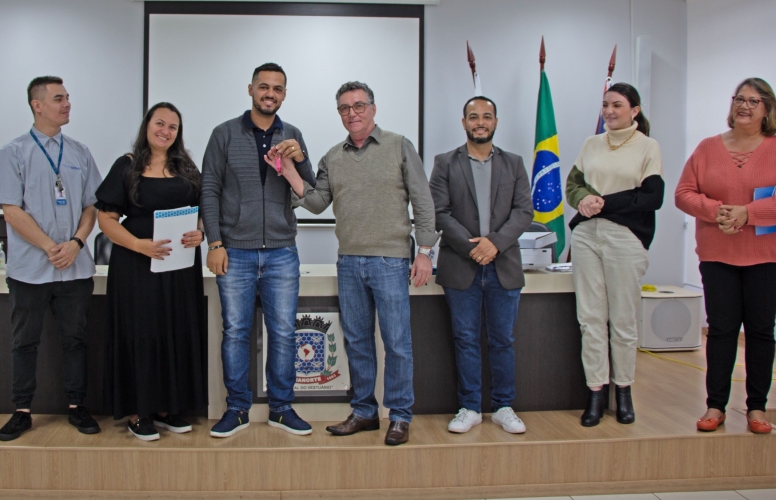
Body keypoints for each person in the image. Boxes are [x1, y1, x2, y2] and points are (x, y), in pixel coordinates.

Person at [278, 81, 437, 445]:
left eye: (359, 106)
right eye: (345, 108)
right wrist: (288, 171)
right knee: (358, 342)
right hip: (349, 262)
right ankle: (364, 411)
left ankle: (399, 416)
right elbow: (318, 204)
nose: (352, 113)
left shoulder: (398, 145)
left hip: (391, 261)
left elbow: (423, 201)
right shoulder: (333, 156)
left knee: (397, 343)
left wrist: (425, 251)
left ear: (373, 108)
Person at [676, 78, 776, 434]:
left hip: (767, 256)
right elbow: (684, 194)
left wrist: (748, 213)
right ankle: (715, 405)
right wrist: (718, 212)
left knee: (760, 331)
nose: (744, 106)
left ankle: (757, 409)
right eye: (739, 99)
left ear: (767, 109)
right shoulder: (707, 148)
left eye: (754, 101)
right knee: (722, 330)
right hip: (718, 253)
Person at [201, 63, 315, 438]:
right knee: (235, 332)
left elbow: (311, 190)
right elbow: (210, 191)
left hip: (282, 252)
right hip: (236, 252)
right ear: (250, 89)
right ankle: (237, 409)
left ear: (284, 94)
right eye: (263, 87)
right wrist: (215, 242)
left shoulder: (293, 134)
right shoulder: (224, 134)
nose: (270, 93)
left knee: (283, 333)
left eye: (277, 89)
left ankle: (281, 408)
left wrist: (298, 158)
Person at [0, 76, 103, 441]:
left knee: (76, 339)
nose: (67, 104)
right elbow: (11, 210)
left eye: (68, 97)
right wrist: (48, 246)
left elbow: (92, 206)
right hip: (30, 269)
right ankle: (21, 410)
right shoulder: (12, 153)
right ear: (37, 105)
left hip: (74, 266)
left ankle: (77, 405)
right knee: (23, 341)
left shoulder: (79, 152)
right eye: (59, 98)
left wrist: (76, 241)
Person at [95, 103, 206, 441]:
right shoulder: (126, 166)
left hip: (180, 267)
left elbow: (203, 209)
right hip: (136, 265)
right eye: (160, 123)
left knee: (175, 329)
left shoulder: (186, 167)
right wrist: (138, 245)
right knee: (140, 332)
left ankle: (168, 407)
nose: (166, 131)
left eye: (172, 127)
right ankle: (138, 411)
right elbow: (105, 220)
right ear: (147, 126)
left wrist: (200, 231)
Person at [428, 96, 532, 434]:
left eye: (487, 116)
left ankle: (503, 406)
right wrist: (474, 248)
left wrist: (495, 244)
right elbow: (439, 211)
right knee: (465, 339)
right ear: (464, 123)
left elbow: (523, 212)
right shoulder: (445, 162)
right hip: (462, 265)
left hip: (504, 266)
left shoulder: (514, 163)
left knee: (503, 340)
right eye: (473, 117)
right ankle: (470, 407)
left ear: (496, 122)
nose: (480, 122)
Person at [565, 82, 664, 427]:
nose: (609, 111)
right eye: (605, 104)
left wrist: (603, 203)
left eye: (617, 105)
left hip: (625, 238)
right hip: (587, 237)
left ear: (634, 111)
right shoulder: (591, 143)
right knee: (590, 318)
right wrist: (582, 200)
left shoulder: (647, 147)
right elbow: (572, 185)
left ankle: (623, 392)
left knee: (622, 321)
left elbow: (652, 197)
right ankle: (596, 392)